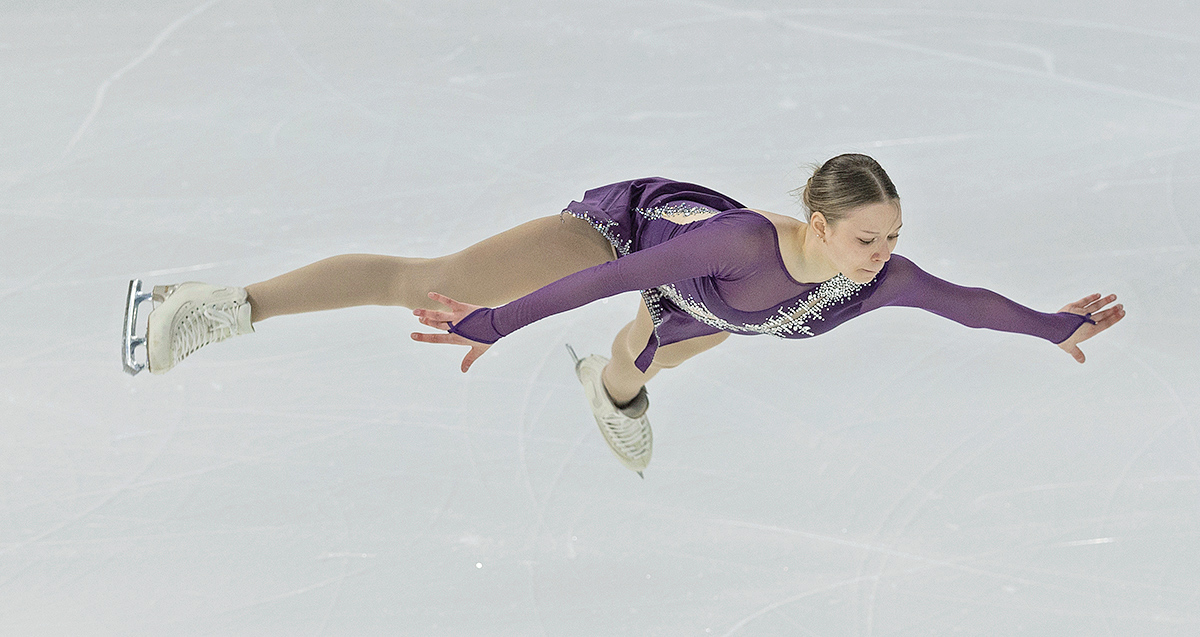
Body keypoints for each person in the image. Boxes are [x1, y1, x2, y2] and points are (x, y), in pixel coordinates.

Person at [129, 154, 1125, 476]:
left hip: (709, 314)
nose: (885, 252)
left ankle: (614, 396)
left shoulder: (876, 278)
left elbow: (966, 304)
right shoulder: (736, 245)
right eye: (867, 236)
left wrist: (1053, 325)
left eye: (892, 234)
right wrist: (495, 322)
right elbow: (615, 280)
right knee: (437, 280)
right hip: (627, 243)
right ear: (819, 226)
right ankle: (212, 305)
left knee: (633, 366)